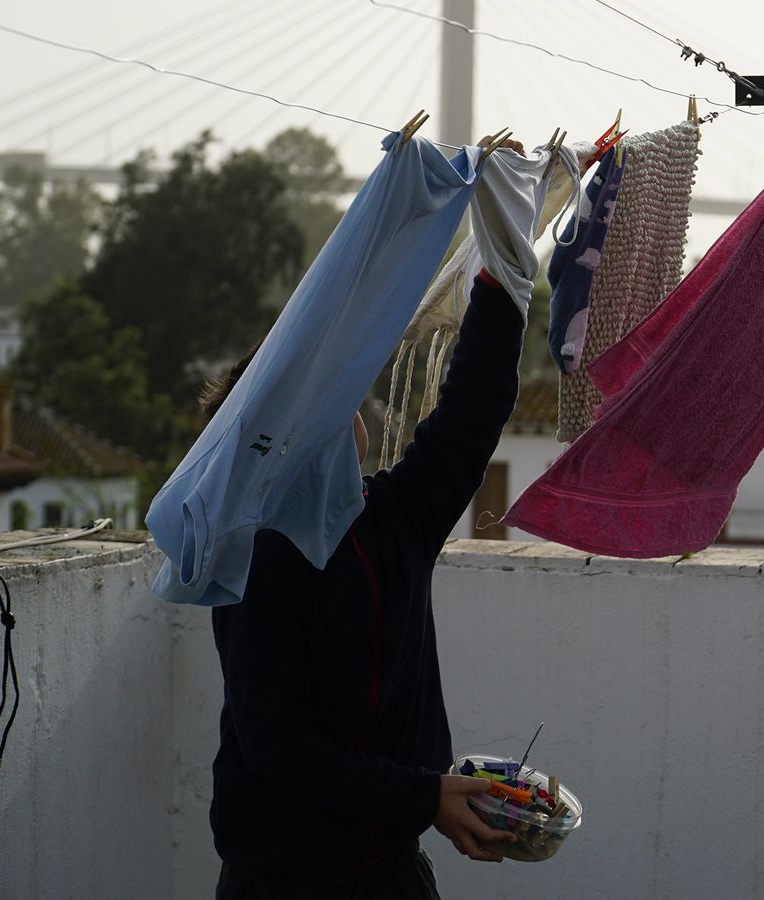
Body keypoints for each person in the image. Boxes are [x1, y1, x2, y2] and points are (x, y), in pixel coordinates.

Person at [205, 143, 535, 899]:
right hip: (284, 883)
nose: (352, 406)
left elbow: (470, 414)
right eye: (329, 399)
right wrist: (425, 796)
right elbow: (279, 744)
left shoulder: (395, 514)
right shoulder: (257, 557)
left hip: (392, 869)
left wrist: (503, 261)